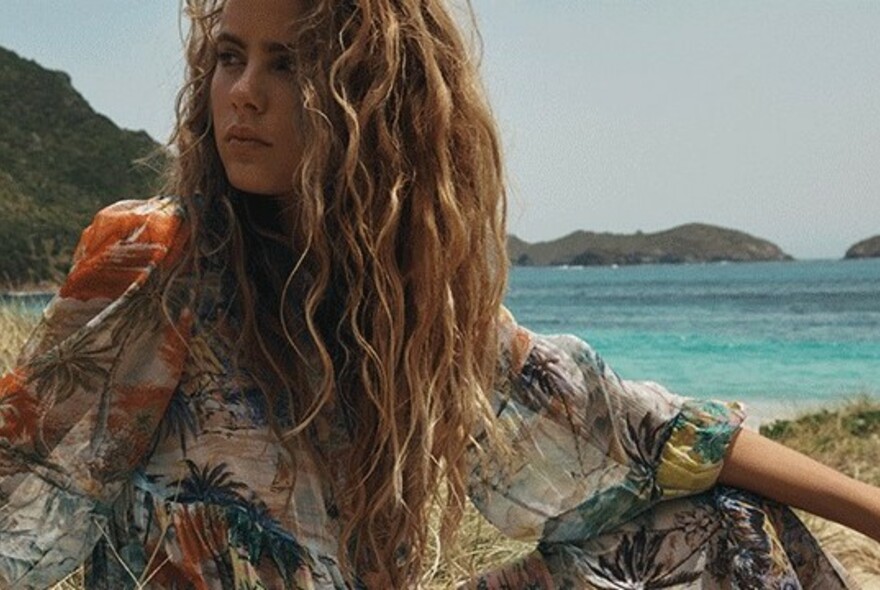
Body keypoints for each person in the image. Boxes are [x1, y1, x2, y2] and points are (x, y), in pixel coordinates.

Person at [0, 0, 878, 588]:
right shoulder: (158, 258)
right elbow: (23, 478)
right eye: (230, 57)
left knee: (715, 523)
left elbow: (650, 429)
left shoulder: (413, 312)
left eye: (288, 63)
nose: (242, 94)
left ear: (370, 98)